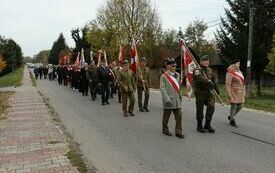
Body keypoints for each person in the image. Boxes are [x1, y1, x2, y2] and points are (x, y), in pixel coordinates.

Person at [193, 55, 219, 133]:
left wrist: (217, 89)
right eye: (205, 61)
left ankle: (207, 125)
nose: (207, 62)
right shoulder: (197, 70)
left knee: (211, 108)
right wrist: (208, 81)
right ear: (201, 61)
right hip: (200, 93)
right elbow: (200, 78)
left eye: (208, 61)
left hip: (209, 93)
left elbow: (214, 80)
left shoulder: (210, 69)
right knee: (200, 110)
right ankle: (199, 126)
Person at [160, 58, 184, 139]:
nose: (174, 67)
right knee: (166, 116)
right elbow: (162, 89)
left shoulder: (178, 75)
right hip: (169, 100)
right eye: (173, 66)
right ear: (168, 66)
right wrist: (167, 99)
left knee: (179, 115)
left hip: (177, 100)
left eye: (175, 66)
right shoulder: (163, 76)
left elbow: (178, 87)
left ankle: (178, 131)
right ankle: (165, 129)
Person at [226, 59, 245, 127]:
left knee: (240, 105)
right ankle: (232, 120)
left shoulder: (240, 72)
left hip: (240, 91)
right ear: (234, 64)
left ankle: (231, 116)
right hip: (233, 91)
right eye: (238, 64)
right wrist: (229, 93)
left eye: (239, 64)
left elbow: (243, 82)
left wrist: (244, 91)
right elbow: (228, 84)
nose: (239, 65)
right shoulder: (230, 72)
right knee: (234, 105)